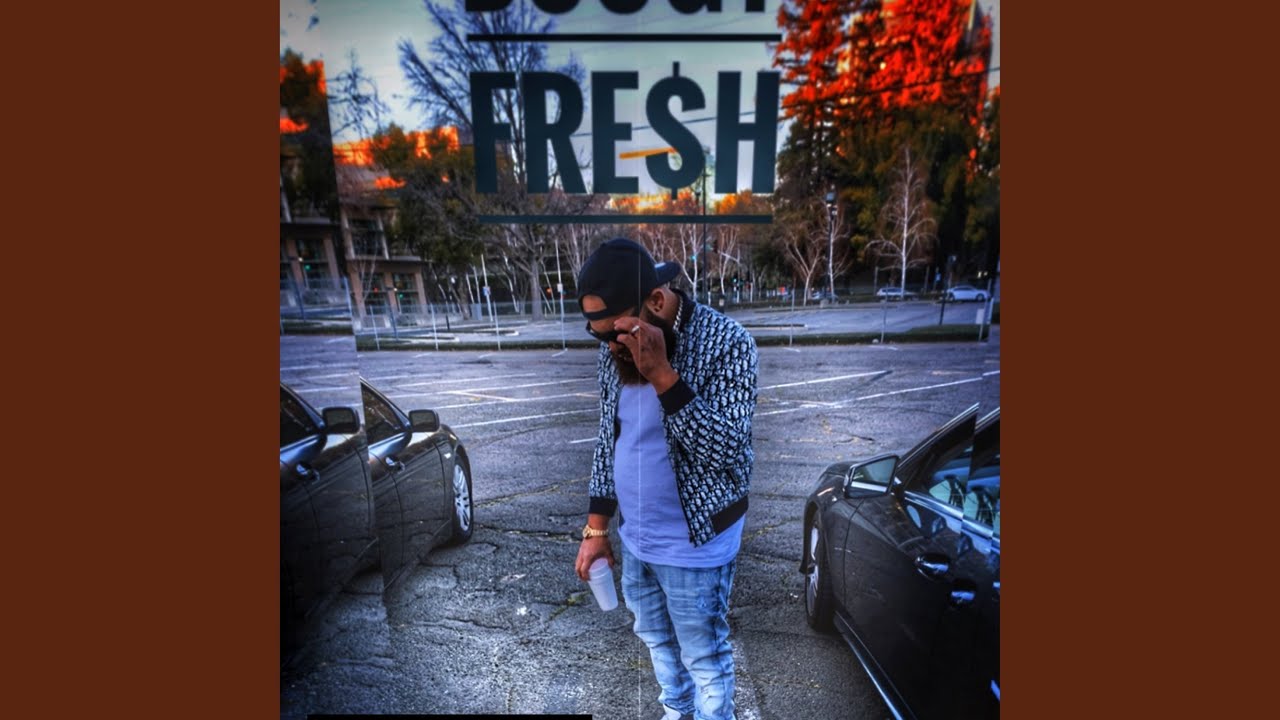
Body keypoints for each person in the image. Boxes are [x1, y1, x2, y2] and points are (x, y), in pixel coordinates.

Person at [572, 237, 758, 720]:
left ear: (655, 301)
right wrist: (596, 529)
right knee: (657, 642)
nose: (609, 347)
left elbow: (724, 451)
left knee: (704, 659)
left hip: (696, 544)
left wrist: (663, 376)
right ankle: (677, 712)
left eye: (616, 333)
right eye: (598, 336)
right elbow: (609, 437)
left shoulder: (728, 342)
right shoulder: (615, 352)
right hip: (637, 540)